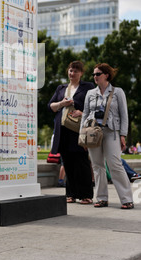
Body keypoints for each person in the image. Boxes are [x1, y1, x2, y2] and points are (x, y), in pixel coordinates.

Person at [81, 63, 134, 209]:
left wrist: (123, 135)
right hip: (92, 132)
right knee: (97, 166)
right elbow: (85, 114)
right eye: (93, 74)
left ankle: (126, 199)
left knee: (115, 164)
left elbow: (124, 115)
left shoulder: (118, 92)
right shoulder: (90, 93)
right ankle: (102, 198)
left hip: (112, 132)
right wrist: (82, 135)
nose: (95, 77)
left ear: (106, 75)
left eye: (98, 74)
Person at [49, 61, 94, 204]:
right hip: (63, 130)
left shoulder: (88, 87)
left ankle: (86, 195)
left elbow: (94, 106)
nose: (72, 73)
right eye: (70, 70)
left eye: (75, 71)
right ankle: (71, 194)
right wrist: (62, 103)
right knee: (67, 163)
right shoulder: (61, 88)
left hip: (79, 130)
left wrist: (82, 112)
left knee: (81, 162)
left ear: (81, 73)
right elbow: (51, 106)